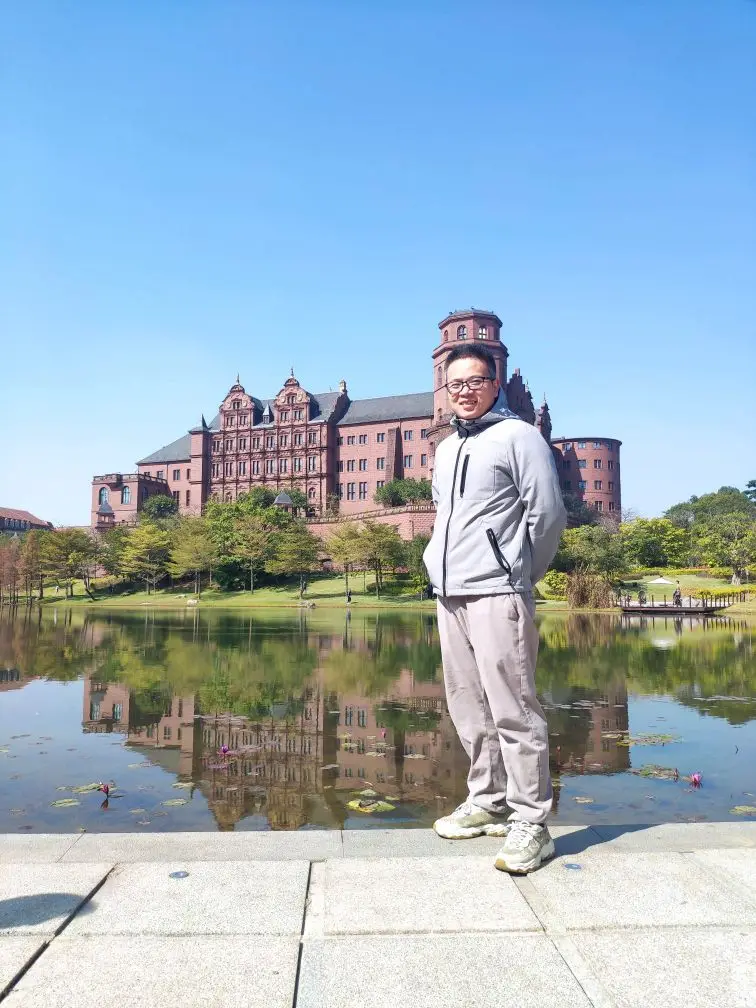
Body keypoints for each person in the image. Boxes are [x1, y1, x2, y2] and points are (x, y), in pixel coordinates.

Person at [423, 344, 567, 874]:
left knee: (514, 707)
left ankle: (532, 821)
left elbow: (547, 514)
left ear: (495, 383)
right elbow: (444, 515)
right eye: (455, 383)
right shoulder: (445, 449)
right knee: (467, 705)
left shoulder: (520, 436)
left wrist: (520, 573)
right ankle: (488, 799)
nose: (464, 391)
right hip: (449, 592)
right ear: (445, 388)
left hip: (497, 591)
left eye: (475, 381)